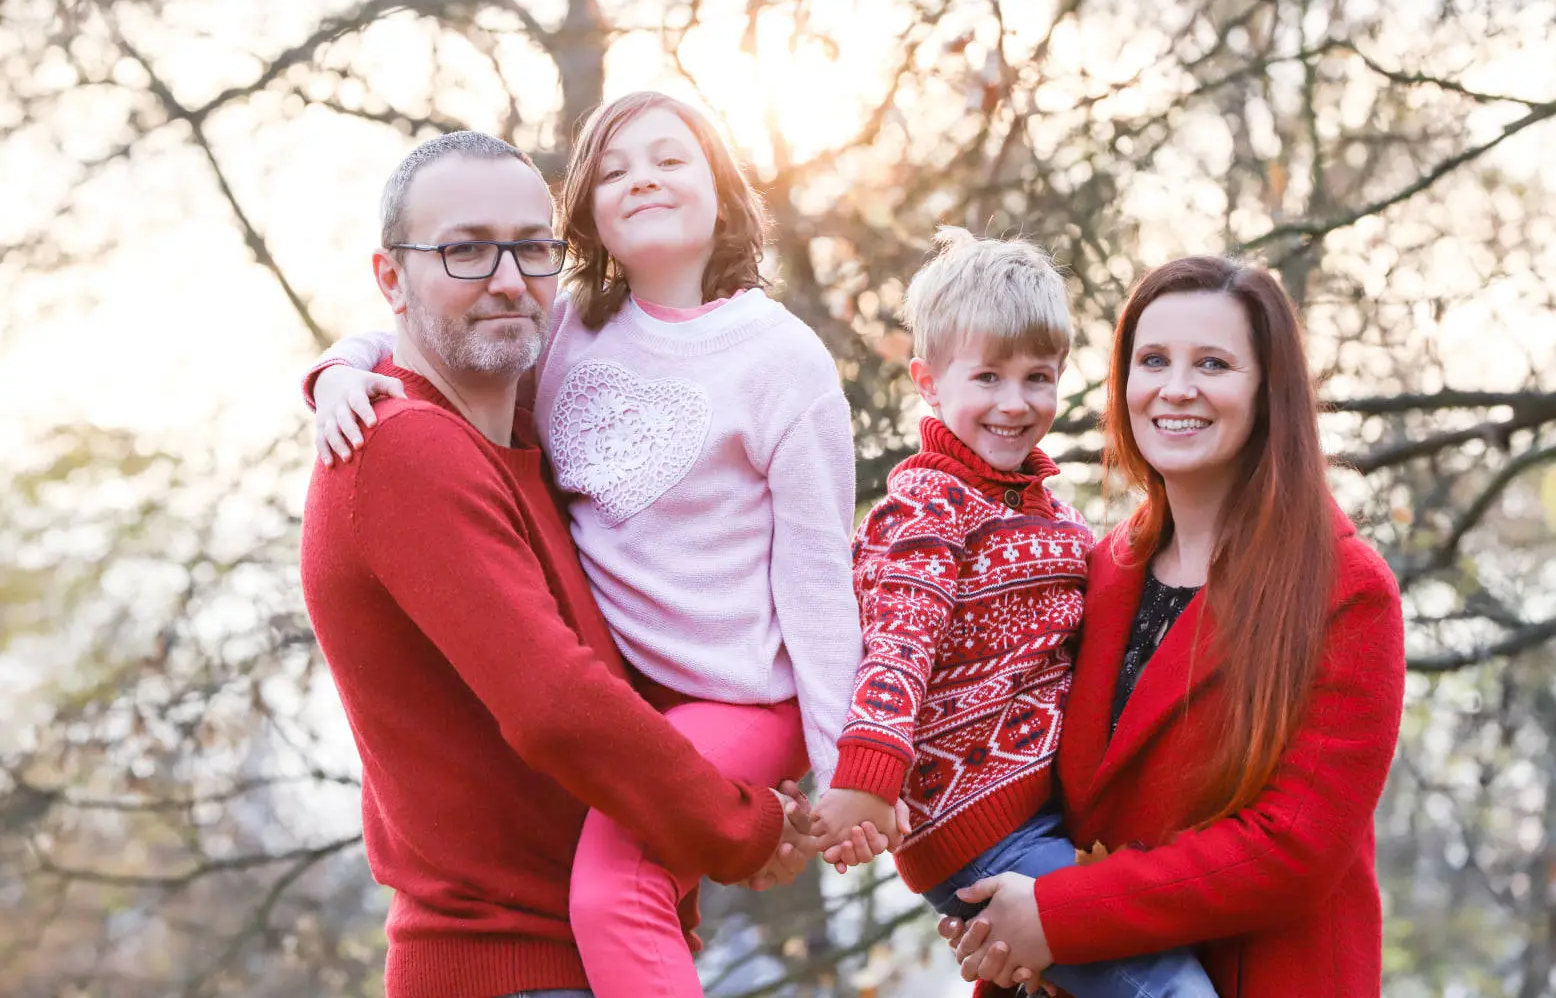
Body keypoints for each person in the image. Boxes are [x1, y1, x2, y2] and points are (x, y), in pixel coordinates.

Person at [305, 96, 872, 998]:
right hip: (508, 965)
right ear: (391, 276)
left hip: (585, 945)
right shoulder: (404, 446)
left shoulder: (528, 439)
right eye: (464, 250)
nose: (506, 279)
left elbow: (816, 575)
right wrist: (741, 829)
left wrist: (844, 765)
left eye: (530, 248)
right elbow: (557, 706)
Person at [939, 256, 1406, 997]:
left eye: (1212, 363)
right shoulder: (1099, 569)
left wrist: (1061, 915)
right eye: (1153, 360)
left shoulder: (1347, 591)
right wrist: (995, 911)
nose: (1176, 388)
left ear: (1268, 391)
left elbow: (1293, 848)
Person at [808, 229, 1218, 998]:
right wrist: (868, 778)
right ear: (929, 383)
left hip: (1039, 813)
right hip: (977, 825)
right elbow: (899, 645)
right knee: (1170, 988)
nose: (1014, 403)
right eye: (988, 377)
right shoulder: (927, 510)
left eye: (1037, 377)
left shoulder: (1054, 520)